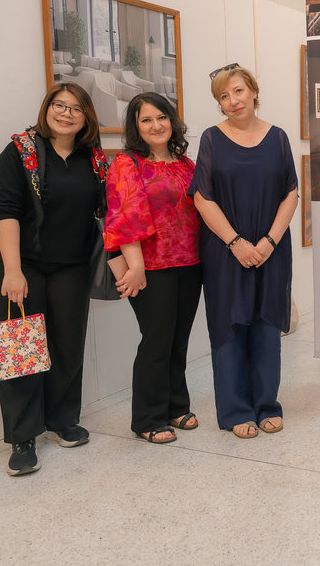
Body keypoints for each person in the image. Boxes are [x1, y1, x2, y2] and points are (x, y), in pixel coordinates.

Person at [0, 82, 107, 476]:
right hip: (19, 264)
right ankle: (23, 438)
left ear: (86, 117)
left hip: (71, 265)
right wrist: (13, 270)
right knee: (22, 349)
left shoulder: (94, 159)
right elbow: (5, 211)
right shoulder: (19, 151)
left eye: (75, 108)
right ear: (47, 108)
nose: (66, 113)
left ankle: (62, 419)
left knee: (67, 344)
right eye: (59, 105)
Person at [189, 63, 298, 439]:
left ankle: (267, 405)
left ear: (252, 90)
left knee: (267, 326)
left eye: (238, 91)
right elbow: (202, 197)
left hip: (271, 249)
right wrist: (235, 242)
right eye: (224, 96)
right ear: (219, 103)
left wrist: (269, 241)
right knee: (230, 327)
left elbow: (290, 193)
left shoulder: (278, 137)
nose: (233, 100)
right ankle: (236, 410)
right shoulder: (211, 139)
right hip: (225, 250)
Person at [104, 92, 202, 444]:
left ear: (171, 121)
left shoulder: (185, 163)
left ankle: (176, 406)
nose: (156, 125)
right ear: (136, 127)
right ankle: (147, 418)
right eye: (146, 120)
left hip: (190, 263)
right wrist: (136, 267)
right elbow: (125, 216)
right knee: (156, 341)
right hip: (150, 266)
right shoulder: (127, 163)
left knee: (178, 340)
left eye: (161, 117)